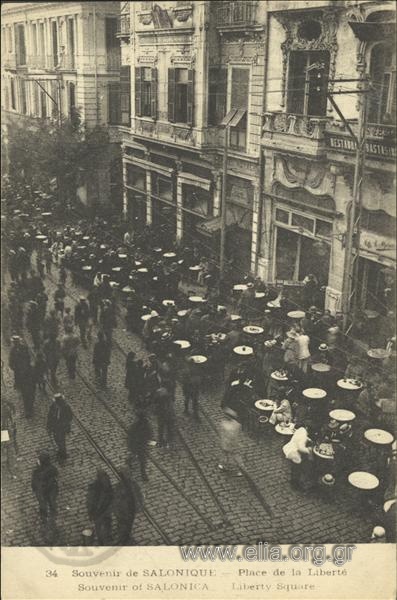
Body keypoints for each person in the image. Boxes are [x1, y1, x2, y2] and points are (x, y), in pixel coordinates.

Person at [112, 467, 143, 545]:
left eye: (128, 474)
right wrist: (117, 511)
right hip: (123, 511)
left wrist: (140, 504)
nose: (128, 477)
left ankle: (126, 536)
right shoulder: (119, 487)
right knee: (123, 524)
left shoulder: (133, 484)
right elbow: (115, 501)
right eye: (126, 475)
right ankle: (123, 539)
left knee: (129, 524)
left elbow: (139, 495)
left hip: (131, 508)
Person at [86, 469, 114, 545]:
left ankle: (107, 536)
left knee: (107, 522)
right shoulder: (94, 488)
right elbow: (90, 501)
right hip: (98, 510)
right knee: (99, 525)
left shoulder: (107, 484)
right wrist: (90, 512)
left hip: (105, 509)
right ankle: (101, 539)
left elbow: (111, 495)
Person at [31, 451, 59, 524]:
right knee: (52, 501)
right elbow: (56, 474)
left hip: (42, 491)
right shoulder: (52, 468)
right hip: (52, 489)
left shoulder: (37, 472)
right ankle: (53, 512)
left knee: (43, 504)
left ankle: (44, 516)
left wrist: (34, 488)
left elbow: (34, 482)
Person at [46, 393, 73, 463]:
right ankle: (60, 449)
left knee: (61, 440)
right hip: (55, 426)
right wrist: (48, 426)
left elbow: (70, 416)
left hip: (62, 427)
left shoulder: (66, 407)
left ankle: (63, 453)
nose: (58, 403)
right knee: (56, 439)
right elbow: (49, 416)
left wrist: (65, 423)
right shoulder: (53, 406)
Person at [127, 411, 153, 481]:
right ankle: (130, 461)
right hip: (136, 445)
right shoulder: (135, 426)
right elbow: (130, 436)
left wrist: (152, 443)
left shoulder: (147, 425)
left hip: (143, 446)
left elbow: (150, 436)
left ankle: (143, 473)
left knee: (143, 460)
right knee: (136, 456)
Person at [218, 408, 244, 476]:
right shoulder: (224, 423)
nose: (226, 416)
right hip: (226, 443)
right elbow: (222, 433)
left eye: (227, 415)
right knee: (225, 455)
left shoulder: (236, 425)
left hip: (233, 444)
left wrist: (232, 443)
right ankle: (224, 465)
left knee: (235, 457)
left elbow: (236, 435)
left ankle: (240, 470)